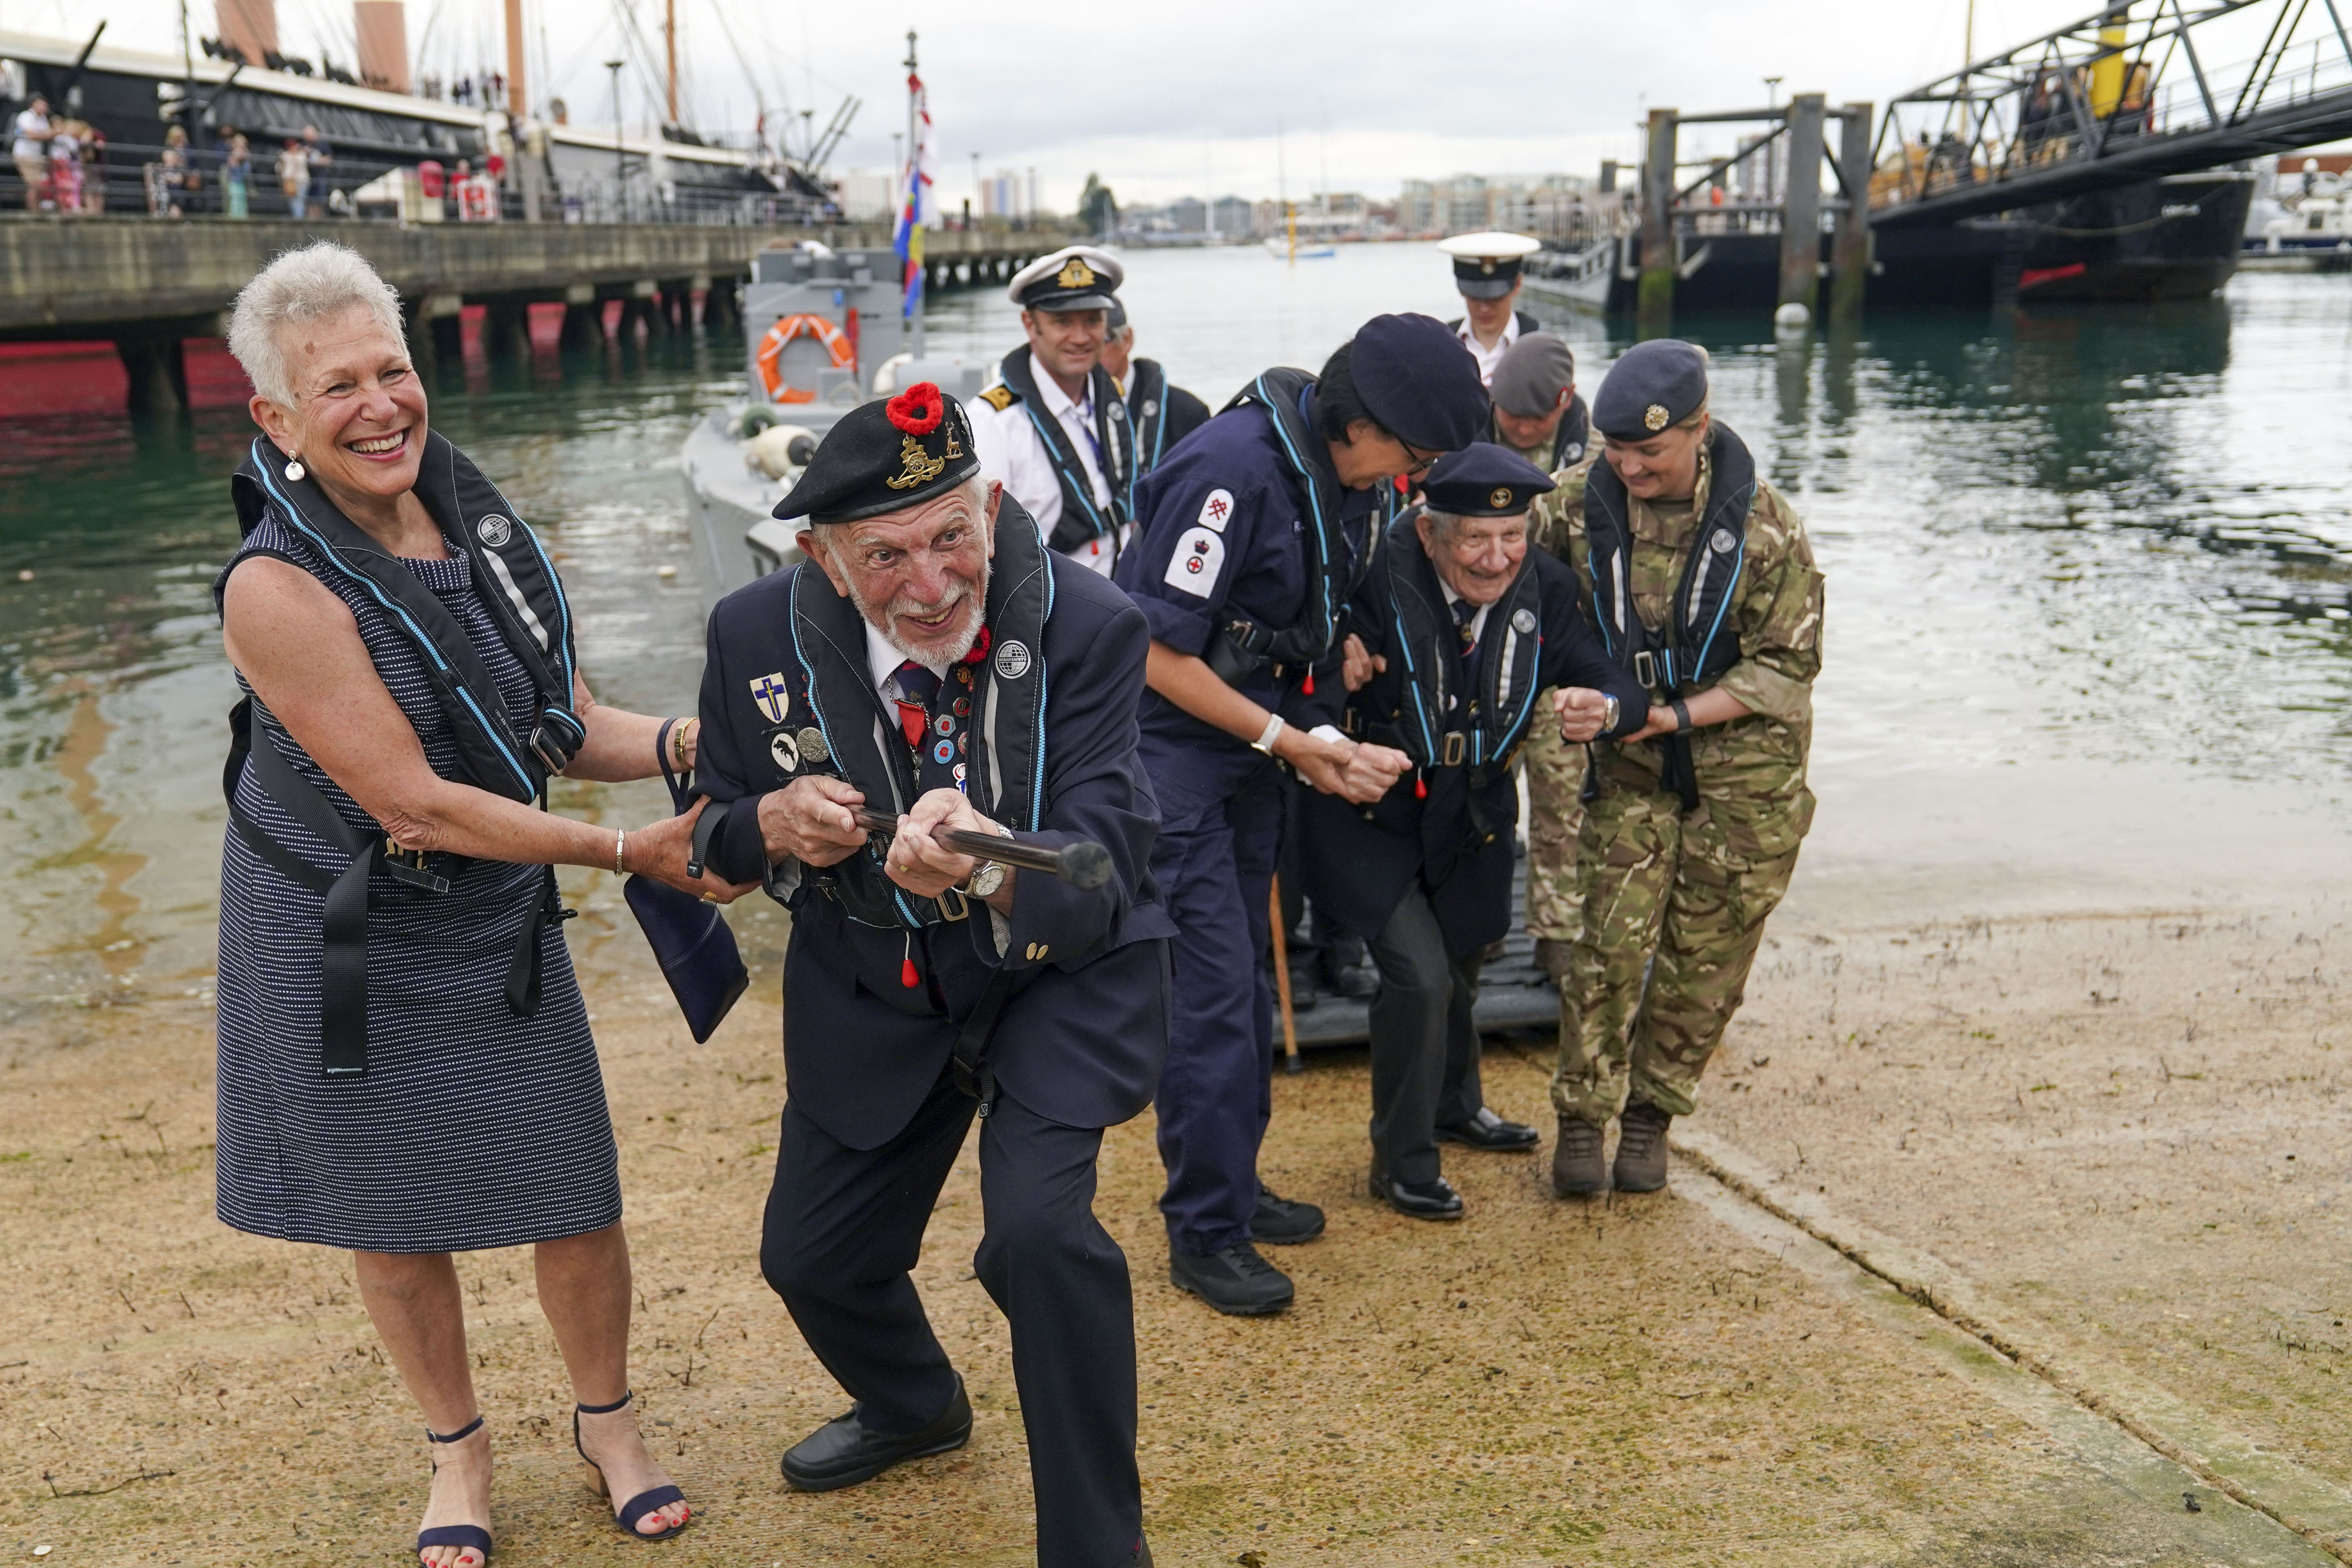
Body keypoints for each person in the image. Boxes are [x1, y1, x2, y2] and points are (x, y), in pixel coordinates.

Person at [213, 241, 716, 1566]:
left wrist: (707, 744)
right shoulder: (275, 590)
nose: (381, 406)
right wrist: (626, 853)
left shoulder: (480, 529)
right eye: (337, 388)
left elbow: (565, 721)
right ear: (275, 417)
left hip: (486, 905)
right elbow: (415, 804)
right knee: (389, 1209)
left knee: (574, 1189)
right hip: (342, 930)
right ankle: (460, 1454)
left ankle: (606, 1423)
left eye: (394, 370)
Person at [690, 384, 1173, 1568]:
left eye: (954, 535)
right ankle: (916, 1404)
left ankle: (1097, 1546)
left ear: (995, 506)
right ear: (820, 556)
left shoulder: (1094, 621)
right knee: (811, 1258)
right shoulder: (752, 633)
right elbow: (702, 833)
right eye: (885, 554)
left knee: (1040, 1239)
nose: (930, 582)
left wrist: (990, 858)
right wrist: (768, 820)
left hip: (1056, 970)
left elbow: (1104, 851)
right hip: (870, 975)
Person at [1111, 313, 1488, 1315]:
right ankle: (1203, 1231)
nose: (1404, 479)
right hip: (1176, 757)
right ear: (1356, 428)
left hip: (1253, 754)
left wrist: (1324, 735)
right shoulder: (1228, 471)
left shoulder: (1338, 478)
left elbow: (1303, 625)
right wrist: (1291, 744)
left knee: (1246, 993)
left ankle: (1230, 1181)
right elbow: (1153, 650)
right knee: (1206, 1005)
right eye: (1406, 459)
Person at [1303, 446, 1647, 1218]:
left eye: (1512, 537)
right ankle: (1401, 1160)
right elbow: (1303, 683)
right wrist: (1338, 675)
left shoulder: (1546, 588)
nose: (1497, 559)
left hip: (1476, 810)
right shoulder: (1370, 578)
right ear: (1429, 535)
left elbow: (1612, 679)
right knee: (1418, 976)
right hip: (1373, 809)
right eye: (1475, 541)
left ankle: (1455, 1106)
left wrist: (1607, 711)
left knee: (1463, 964)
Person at [1537, 339, 1824, 1196]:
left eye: (1649, 452)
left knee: (1707, 951)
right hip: (1628, 761)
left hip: (1743, 768)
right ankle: (1583, 1116)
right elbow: (1501, 567)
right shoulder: (1575, 506)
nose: (1629, 467)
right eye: (1615, 448)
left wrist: (1672, 715)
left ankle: (1653, 1114)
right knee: (1606, 942)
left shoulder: (1767, 528)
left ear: (1698, 430)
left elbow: (1787, 669)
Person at [1491, 332, 1595, 984]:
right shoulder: (1465, 444)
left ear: (1564, 400)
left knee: (1563, 805)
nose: (1522, 429)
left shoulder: (1604, 455)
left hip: (1561, 660)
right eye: (1511, 418)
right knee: (1483, 798)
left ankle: (1557, 941)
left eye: (1534, 420)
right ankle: (1482, 928)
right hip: (1486, 658)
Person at [969, 245, 1133, 577]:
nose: (1081, 337)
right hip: (1052, 611)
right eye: (1062, 322)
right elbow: (980, 544)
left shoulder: (1108, 397)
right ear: (1030, 324)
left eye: (1092, 320)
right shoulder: (995, 421)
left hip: (1121, 599)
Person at [1099, 300, 1210, 479]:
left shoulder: (1187, 413)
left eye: (1100, 341)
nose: (1087, 352)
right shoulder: (1070, 410)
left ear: (1127, 340)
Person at [1439, 231, 1543, 385]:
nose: (1485, 308)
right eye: (1475, 297)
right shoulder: (1442, 346)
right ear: (1461, 289)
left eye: (1495, 298)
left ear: (1518, 285)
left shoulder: (1540, 347)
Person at [10, 92, 49, 212]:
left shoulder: (43, 119)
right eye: (41, 104)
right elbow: (31, 135)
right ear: (33, 105)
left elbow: (49, 135)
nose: (44, 108)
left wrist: (44, 135)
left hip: (36, 156)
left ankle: (37, 209)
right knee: (33, 183)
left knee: (39, 184)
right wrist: (45, 135)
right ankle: (33, 210)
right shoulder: (25, 116)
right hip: (24, 154)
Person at [303, 123, 334, 214]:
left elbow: (329, 160)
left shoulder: (323, 145)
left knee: (319, 199)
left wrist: (315, 161)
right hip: (307, 177)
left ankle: (319, 219)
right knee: (309, 200)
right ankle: (312, 220)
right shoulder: (304, 145)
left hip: (320, 176)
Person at [279, 137, 311, 219]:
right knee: (292, 201)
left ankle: (299, 219)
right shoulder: (285, 156)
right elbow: (281, 168)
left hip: (301, 180)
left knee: (300, 200)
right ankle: (297, 218)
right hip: (289, 181)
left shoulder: (302, 155)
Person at [222, 133, 251, 219]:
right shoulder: (232, 155)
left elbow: (248, 168)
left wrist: (245, 157)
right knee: (235, 199)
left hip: (242, 181)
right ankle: (234, 217)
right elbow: (232, 166)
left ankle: (243, 216)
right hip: (234, 181)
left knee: (242, 199)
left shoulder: (246, 154)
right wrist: (237, 159)